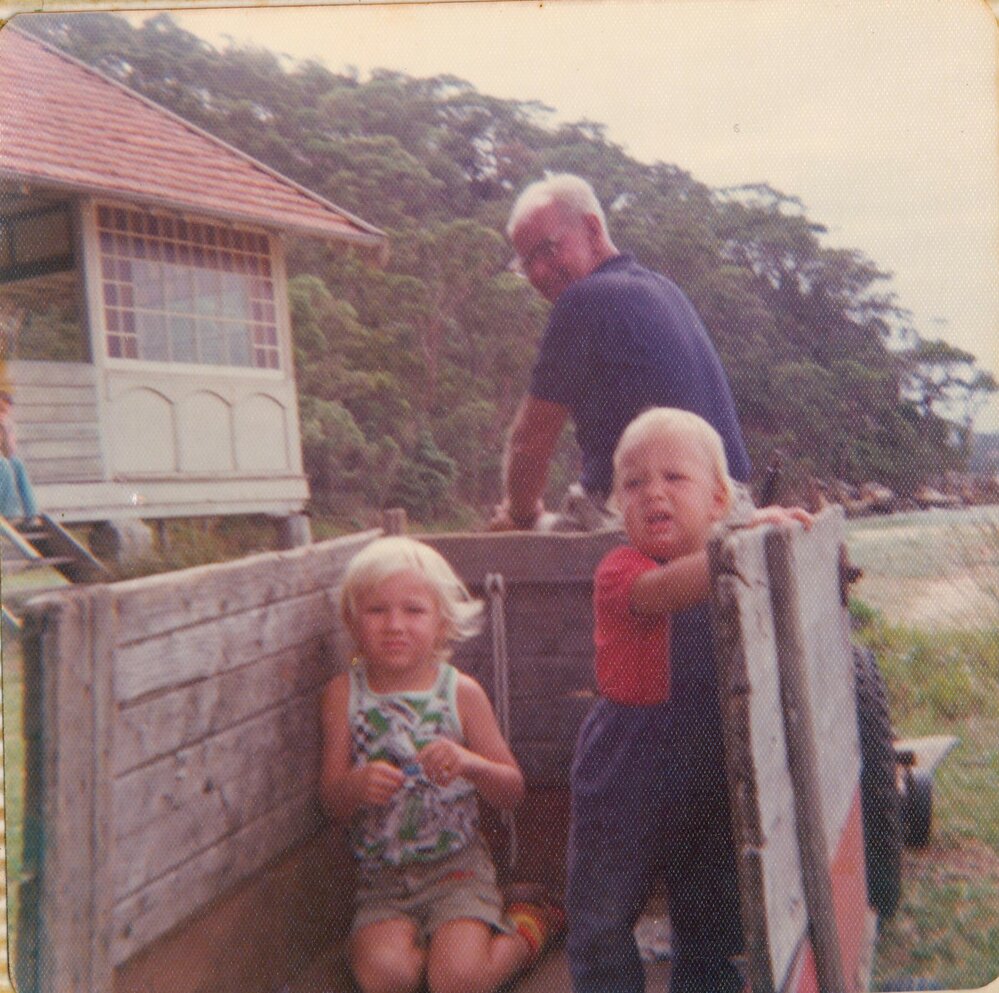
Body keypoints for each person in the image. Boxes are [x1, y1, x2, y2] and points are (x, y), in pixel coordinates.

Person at [567, 407, 812, 993]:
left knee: (711, 907)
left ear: (719, 499)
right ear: (616, 506)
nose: (654, 493)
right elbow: (666, 590)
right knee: (602, 912)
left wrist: (755, 542)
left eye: (674, 478)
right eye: (633, 483)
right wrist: (744, 542)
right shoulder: (621, 570)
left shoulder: (737, 567)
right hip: (625, 762)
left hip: (709, 757)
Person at [319, 536, 563, 993]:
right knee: (387, 978)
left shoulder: (460, 691)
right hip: (382, 879)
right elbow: (331, 802)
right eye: (377, 611)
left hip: (457, 870)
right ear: (353, 621)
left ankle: (530, 928)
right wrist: (355, 785)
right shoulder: (342, 694)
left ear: (442, 622)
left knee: (457, 982)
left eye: (413, 610)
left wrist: (471, 763)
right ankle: (439, 946)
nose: (395, 625)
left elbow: (512, 790)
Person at [490, 172, 751, 533]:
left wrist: (519, 516)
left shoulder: (582, 302)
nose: (537, 272)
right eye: (526, 262)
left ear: (593, 229)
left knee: (531, 528)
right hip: (731, 504)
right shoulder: (664, 289)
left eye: (548, 250)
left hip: (664, 514)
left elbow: (529, 443)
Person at [0, 389, 39, 524]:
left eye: (5, 412)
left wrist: (7, 431)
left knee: (16, 463)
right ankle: (9, 513)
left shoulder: (6, 425)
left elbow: (10, 453)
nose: (2, 415)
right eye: (0, 410)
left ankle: (31, 512)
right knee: (3, 464)